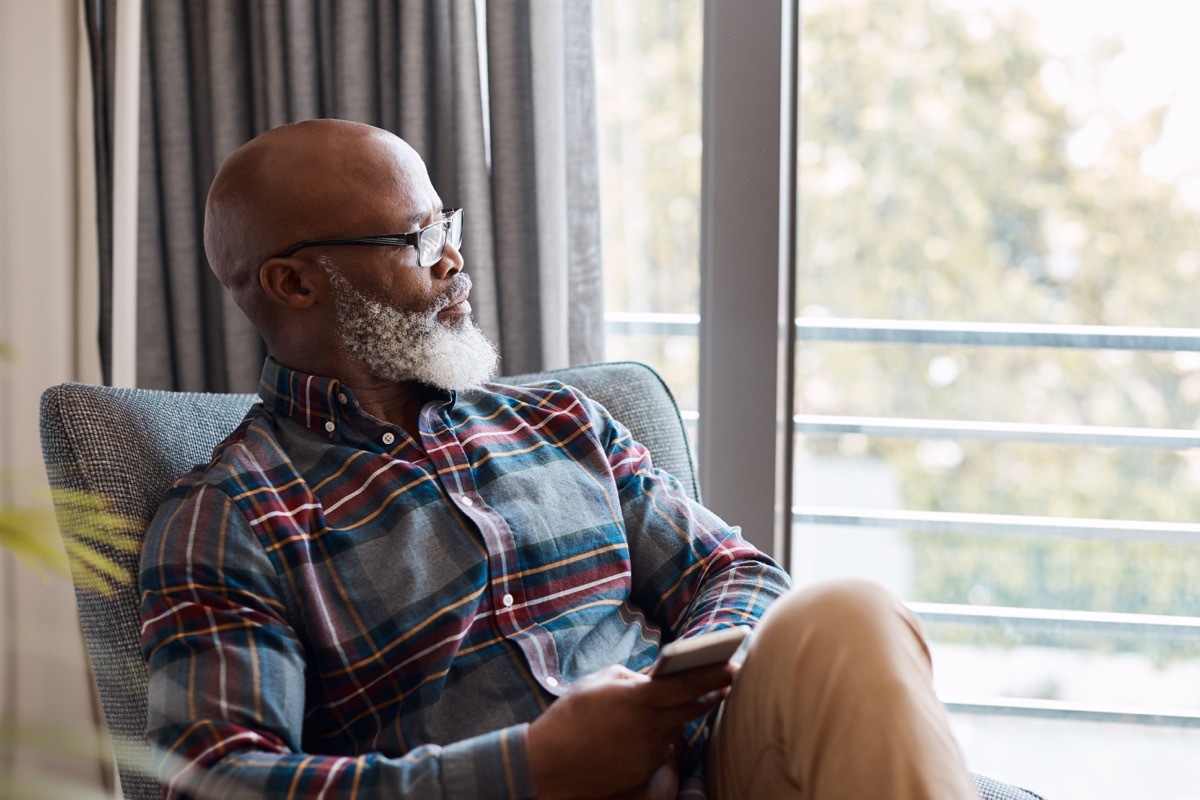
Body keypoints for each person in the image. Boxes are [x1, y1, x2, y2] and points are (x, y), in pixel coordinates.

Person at [139, 118, 979, 800]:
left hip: (707, 766)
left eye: (448, 225)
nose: (456, 260)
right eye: (417, 238)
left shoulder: (562, 420)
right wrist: (534, 771)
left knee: (850, 616)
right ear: (294, 285)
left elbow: (736, 573)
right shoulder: (230, 517)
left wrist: (666, 708)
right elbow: (218, 783)